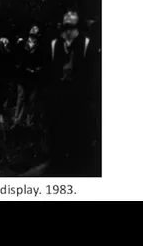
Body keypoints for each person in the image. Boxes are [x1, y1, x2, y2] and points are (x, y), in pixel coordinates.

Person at [44, 10, 98, 176]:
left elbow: (94, 75)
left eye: (71, 25)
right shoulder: (55, 45)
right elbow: (48, 74)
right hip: (59, 100)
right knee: (59, 139)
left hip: (79, 101)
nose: (68, 15)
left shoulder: (87, 44)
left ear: (78, 25)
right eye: (65, 24)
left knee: (80, 141)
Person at [13, 24, 45, 129]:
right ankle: (16, 119)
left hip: (33, 76)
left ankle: (28, 121)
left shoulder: (40, 47)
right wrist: (23, 68)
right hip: (22, 75)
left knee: (31, 100)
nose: (33, 37)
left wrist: (36, 70)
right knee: (21, 97)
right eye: (32, 34)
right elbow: (17, 59)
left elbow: (41, 62)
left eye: (35, 35)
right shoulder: (21, 44)